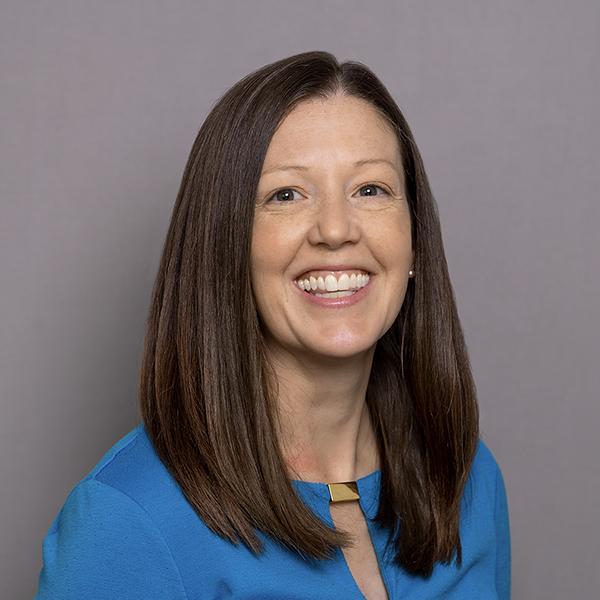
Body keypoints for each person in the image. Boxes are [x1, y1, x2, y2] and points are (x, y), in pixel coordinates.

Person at [34, 50, 511, 599]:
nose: (335, 230)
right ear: (226, 245)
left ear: (414, 239)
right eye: (286, 195)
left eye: (370, 190)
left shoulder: (467, 478)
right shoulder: (127, 519)